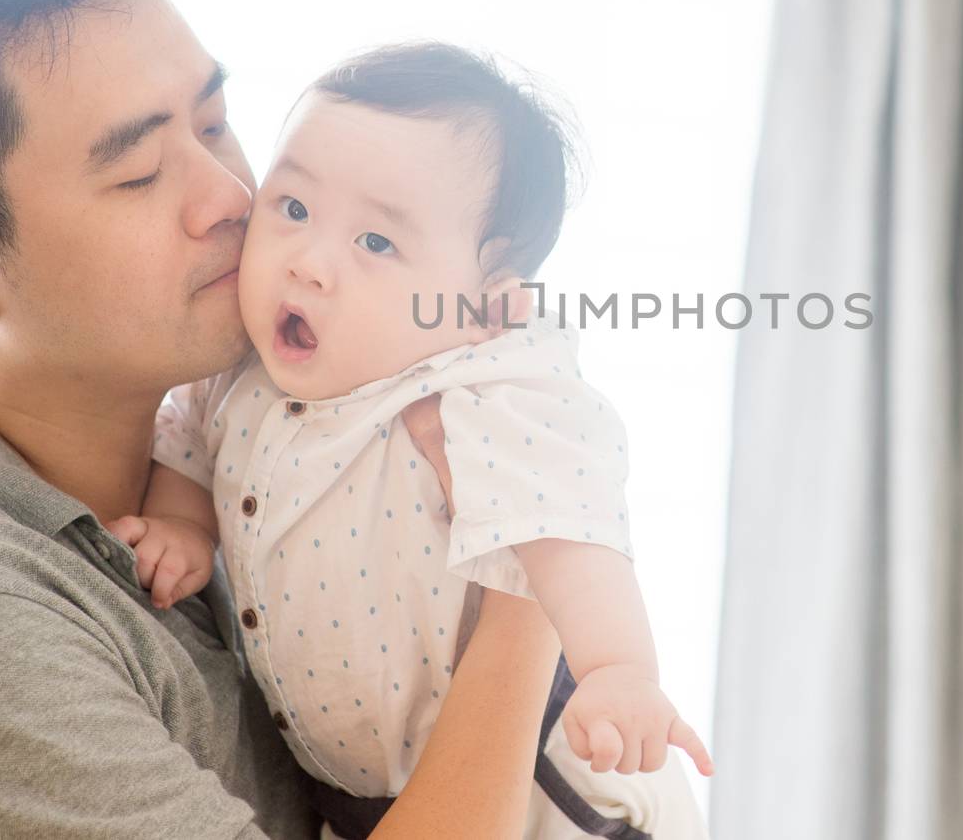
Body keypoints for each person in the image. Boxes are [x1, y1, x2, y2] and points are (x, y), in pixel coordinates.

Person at [0, 0, 563, 839]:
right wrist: (534, 585)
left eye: (216, 123)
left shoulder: (261, 410)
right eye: (140, 174)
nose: (233, 195)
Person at [111, 42, 712, 838]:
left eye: (377, 244)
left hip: (543, 787)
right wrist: (182, 528)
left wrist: (619, 670)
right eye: (293, 208)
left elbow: (573, 535)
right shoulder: (236, 368)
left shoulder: (483, 395)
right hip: (362, 797)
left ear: (486, 307)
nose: (311, 264)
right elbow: (189, 445)